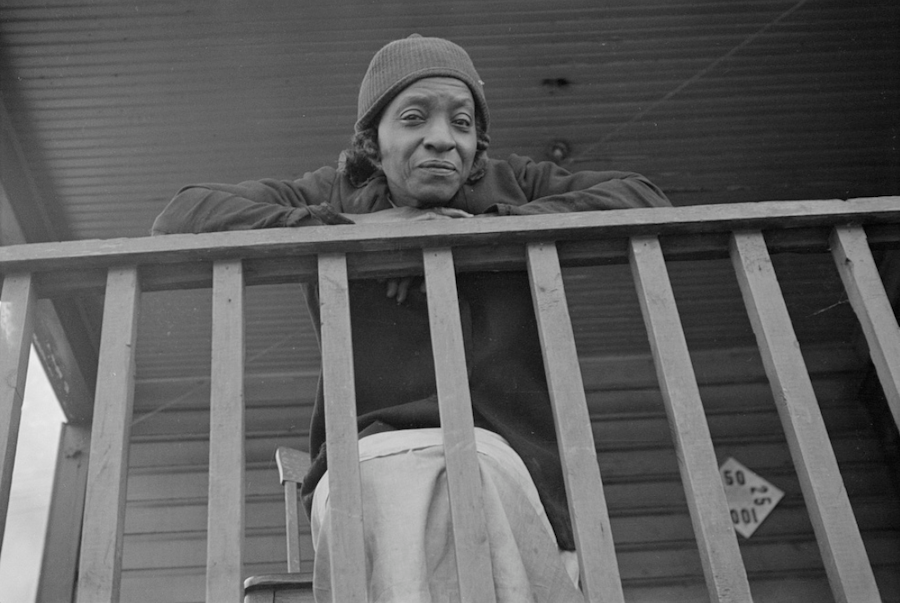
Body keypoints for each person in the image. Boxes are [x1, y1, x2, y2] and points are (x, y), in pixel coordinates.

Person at [153, 34, 670, 603]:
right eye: (415, 118)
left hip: (506, 456)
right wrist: (366, 233)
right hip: (369, 454)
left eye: (462, 122)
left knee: (474, 477)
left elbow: (644, 196)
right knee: (394, 485)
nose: (442, 139)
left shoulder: (513, 185)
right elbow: (184, 214)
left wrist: (476, 231)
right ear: (373, 142)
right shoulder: (335, 196)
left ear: (478, 144)